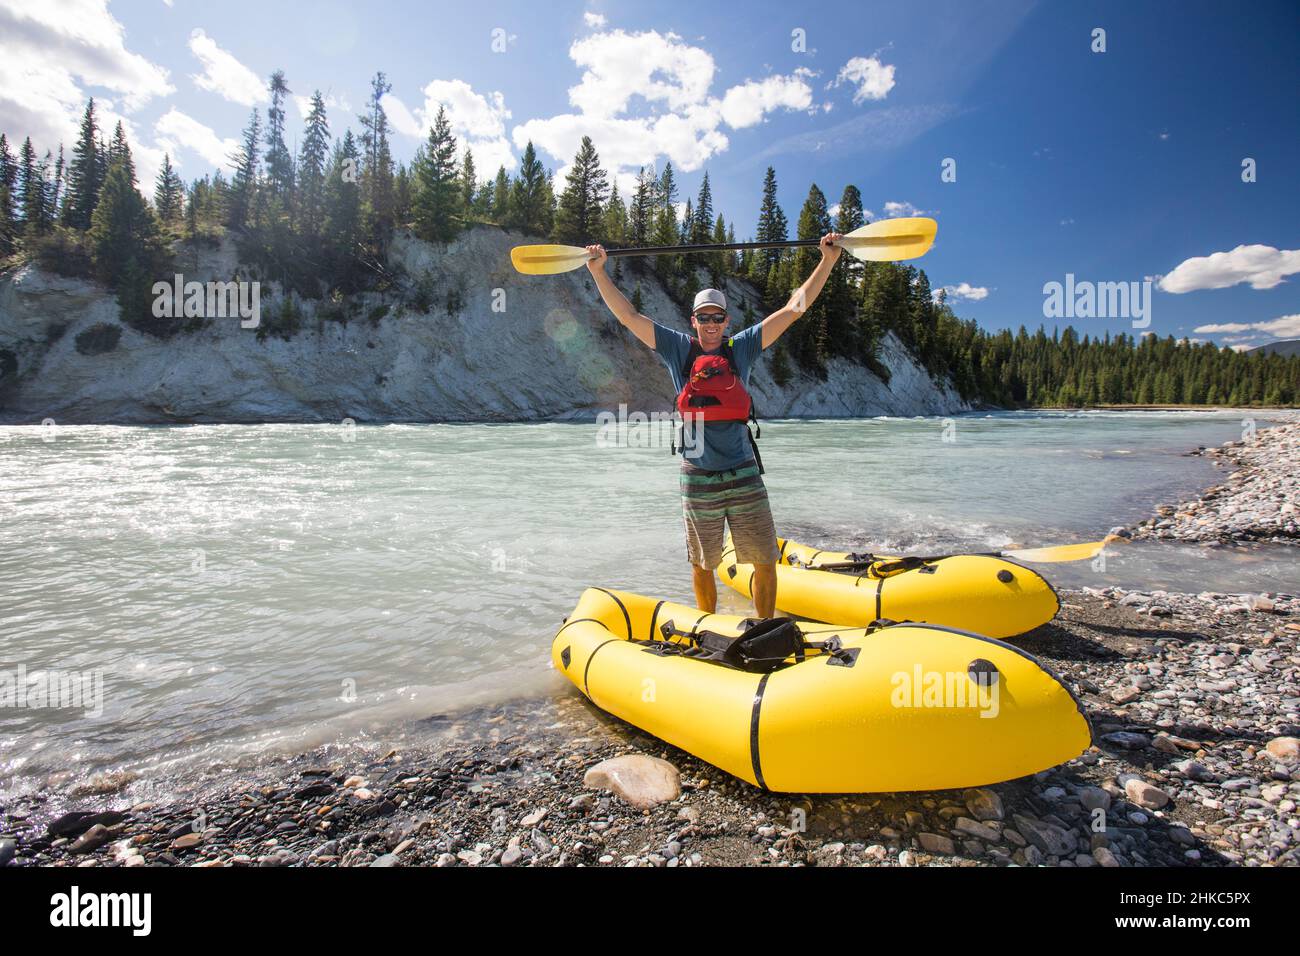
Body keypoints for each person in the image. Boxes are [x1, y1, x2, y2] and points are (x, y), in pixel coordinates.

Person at [585, 232, 844, 617]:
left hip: (743, 471)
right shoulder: (678, 348)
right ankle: (710, 627)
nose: (710, 323)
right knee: (702, 563)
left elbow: (794, 309)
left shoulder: (742, 347)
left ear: (727, 321)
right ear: (694, 320)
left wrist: (828, 260)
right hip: (698, 474)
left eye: (717, 317)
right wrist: (598, 271)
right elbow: (629, 316)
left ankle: (765, 627)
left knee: (764, 559)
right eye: (703, 317)